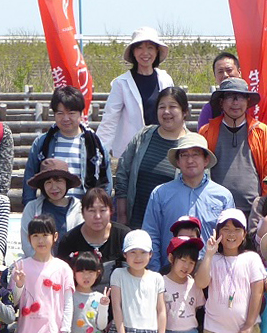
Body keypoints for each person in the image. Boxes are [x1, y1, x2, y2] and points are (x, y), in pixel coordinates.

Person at [140, 133, 235, 270]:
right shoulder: (160, 194)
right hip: (170, 272)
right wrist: (156, 273)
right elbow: (151, 234)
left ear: (206, 160)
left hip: (211, 272)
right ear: (178, 162)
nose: (190, 160)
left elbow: (229, 238)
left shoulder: (223, 196)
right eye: (184, 155)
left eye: (195, 154)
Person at [21, 86, 111, 207]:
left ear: (81, 113)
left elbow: (106, 183)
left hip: (84, 212)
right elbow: (29, 181)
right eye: (60, 113)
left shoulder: (95, 145)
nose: (66, 118)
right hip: (50, 212)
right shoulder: (42, 143)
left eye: (71, 113)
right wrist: (29, 209)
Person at [112, 86, 190, 228]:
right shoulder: (144, 136)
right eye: (162, 107)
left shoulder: (191, 145)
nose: (166, 112)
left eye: (172, 106)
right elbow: (123, 173)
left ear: (184, 112)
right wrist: (122, 215)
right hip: (136, 223)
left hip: (172, 228)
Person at [198, 77, 267, 213]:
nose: (235, 102)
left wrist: (265, 205)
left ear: (248, 102)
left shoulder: (261, 131)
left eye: (241, 97)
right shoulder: (206, 131)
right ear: (221, 102)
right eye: (230, 97)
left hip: (253, 209)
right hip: (216, 208)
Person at [98, 27, 174, 161]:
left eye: (150, 47)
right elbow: (110, 120)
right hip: (131, 154)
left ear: (157, 51)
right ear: (133, 51)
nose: (145, 53)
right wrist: (98, 152)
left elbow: (175, 112)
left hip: (161, 149)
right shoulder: (121, 83)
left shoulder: (165, 79)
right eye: (139, 47)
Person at [55, 187, 129, 283]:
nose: (97, 216)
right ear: (82, 213)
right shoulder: (69, 240)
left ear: (111, 211)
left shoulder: (124, 237)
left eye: (102, 210)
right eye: (91, 211)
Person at [19, 159, 82, 251]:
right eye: (48, 182)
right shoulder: (32, 208)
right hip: (39, 263)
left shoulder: (79, 208)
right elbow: (27, 244)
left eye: (59, 181)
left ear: (66, 183)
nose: (54, 187)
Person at [193, 51, 240, 130]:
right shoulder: (210, 109)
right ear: (215, 77)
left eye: (229, 70)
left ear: (239, 72)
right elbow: (203, 138)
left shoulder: (251, 103)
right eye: (220, 72)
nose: (225, 75)